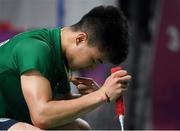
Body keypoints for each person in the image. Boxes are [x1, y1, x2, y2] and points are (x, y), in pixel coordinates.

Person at [0, 5, 131, 130]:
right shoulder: (36, 48)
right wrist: (102, 95)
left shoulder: (60, 55)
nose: (91, 68)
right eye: (93, 60)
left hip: (10, 116)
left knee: (80, 128)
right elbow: (41, 116)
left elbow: (58, 104)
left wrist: (97, 94)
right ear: (80, 39)